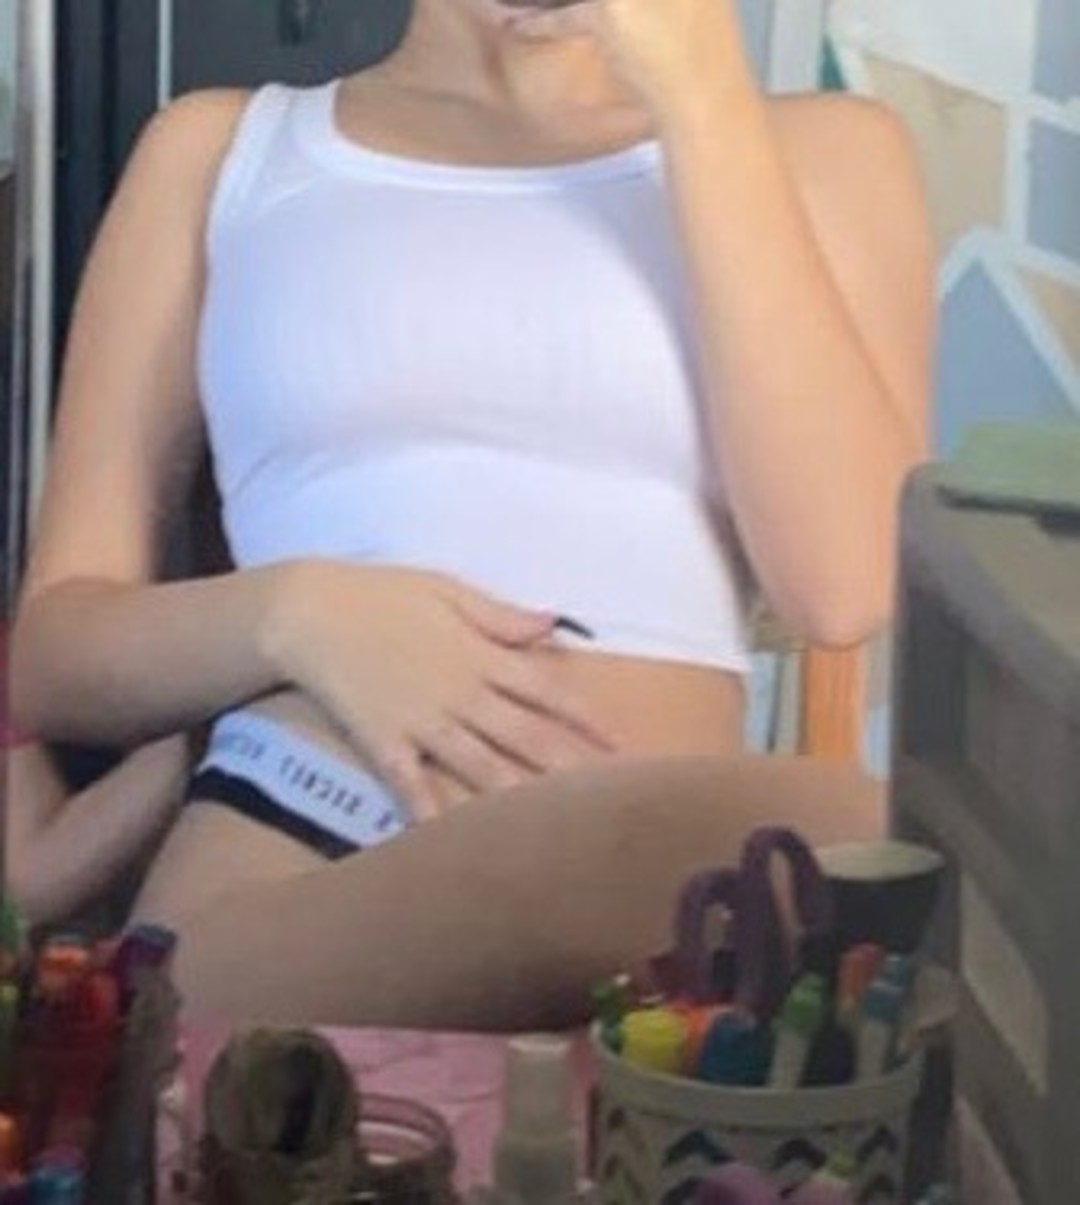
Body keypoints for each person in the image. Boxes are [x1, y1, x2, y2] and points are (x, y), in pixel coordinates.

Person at [10, 0, 933, 1028]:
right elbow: (56, 654)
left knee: (895, 859)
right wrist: (294, 612)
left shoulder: (823, 152)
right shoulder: (223, 152)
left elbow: (846, 585)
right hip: (289, 856)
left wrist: (702, 93)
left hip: (660, 903)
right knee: (876, 864)